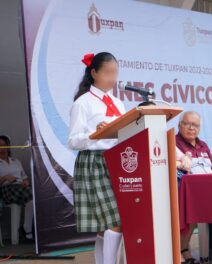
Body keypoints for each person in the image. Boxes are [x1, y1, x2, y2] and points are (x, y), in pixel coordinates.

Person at [68, 52, 126, 264]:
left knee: (107, 222)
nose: (112, 77)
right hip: (94, 163)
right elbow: (73, 141)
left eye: (115, 73)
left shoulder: (119, 103)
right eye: (107, 72)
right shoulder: (83, 103)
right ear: (93, 73)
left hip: (116, 161)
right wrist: (94, 135)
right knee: (115, 219)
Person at [175, 111, 212, 264]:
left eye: (195, 125)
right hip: (185, 192)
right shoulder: (173, 142)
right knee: (193, 208)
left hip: (208, 191)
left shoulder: (203, 145)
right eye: (187, 124)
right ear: (179, 125)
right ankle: (181, 250)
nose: (191, 128)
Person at [0, 135, 34, 242]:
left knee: (33, 198)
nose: (2, 148)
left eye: (4, 145)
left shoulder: (16, 161)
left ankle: (27, 229)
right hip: (6, 190)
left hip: (20, 188)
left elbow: (25, 178)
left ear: (9, 147)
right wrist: (6, 177)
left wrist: (25, 182)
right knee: (30, 195)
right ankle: (27, 230)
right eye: (0, 146)